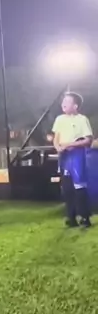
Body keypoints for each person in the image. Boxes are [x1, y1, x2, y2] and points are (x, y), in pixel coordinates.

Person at [52, 91, 93, 228]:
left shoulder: (82, 119)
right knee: (67, 187)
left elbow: (88, 140)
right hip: (64, 156)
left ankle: (85, 217)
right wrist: (58, 147)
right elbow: (56, 138)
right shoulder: (59, 119)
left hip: (77, 155)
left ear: (75, 106)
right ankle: (71, 217)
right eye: (63, 101)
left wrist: (70, 144)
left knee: (80, 186)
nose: (63, 104)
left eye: (67, 101)